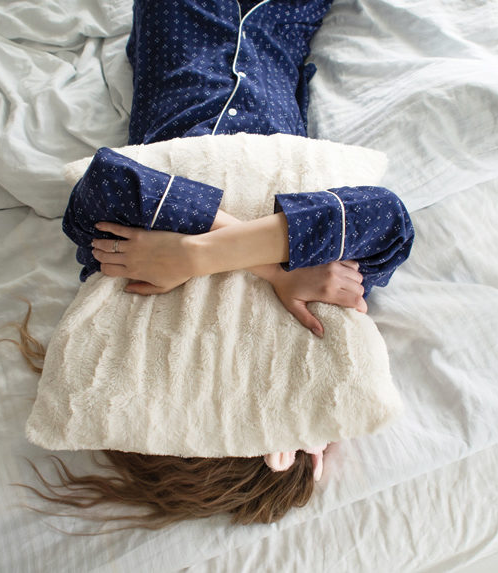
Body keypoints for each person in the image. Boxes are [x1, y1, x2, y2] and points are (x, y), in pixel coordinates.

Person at [21, 0, 414, 530]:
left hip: (179, 26)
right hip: (278, 30)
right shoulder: (326, 300)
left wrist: (197, 254)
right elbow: (385, 215)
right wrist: (261, 267)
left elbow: (108, 182)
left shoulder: (128, 287)